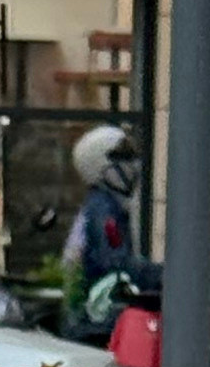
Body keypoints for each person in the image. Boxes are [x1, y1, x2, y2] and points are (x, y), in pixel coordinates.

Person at [58, 120, 148, 336]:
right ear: (100, 165)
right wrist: (165, 275)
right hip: (97, 318)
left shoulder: (106, 206)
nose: (133, 164)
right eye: (123, 157)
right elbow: (115, 263)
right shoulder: (104, 211)